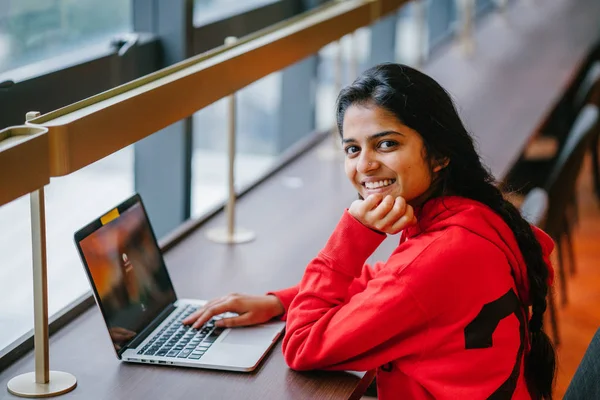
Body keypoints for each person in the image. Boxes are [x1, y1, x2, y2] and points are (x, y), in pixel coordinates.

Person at [183, 63, 557, 399]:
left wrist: (353, 233)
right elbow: (382, 283)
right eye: (351, 149)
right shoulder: (474, 216)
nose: (365, 165)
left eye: (387, 144)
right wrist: (281, 302)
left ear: (441, 154)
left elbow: (301, 345)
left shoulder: (436, 259)